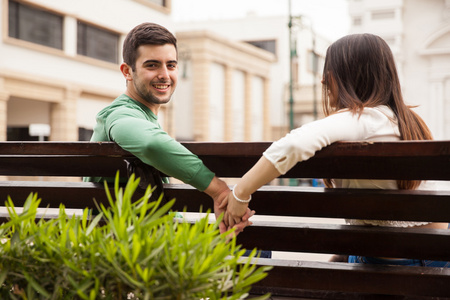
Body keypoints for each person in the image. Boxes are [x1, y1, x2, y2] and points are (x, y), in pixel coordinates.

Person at [224, 33, 450, 267]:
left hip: (400, 263)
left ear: (347, 77)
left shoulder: (365, 119)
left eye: (329, 72)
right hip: (436, 254)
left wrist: (240, 193)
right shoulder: (406, 120)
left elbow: (293, 144)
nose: (323, 81)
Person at [84, 22, 251, 234]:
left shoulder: (140, 118)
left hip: (149, 244)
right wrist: (218, 191)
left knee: (242, 236)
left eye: (171, 65)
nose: (164, 75)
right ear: (127, 71)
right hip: (134, 253)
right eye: (152, 65)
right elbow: (151, 144)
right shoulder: (119, 115)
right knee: (257, 246)